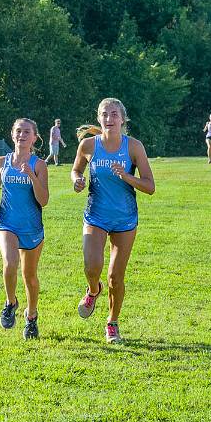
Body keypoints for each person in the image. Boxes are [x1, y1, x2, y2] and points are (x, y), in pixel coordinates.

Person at [71, 98, 155, 343]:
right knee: (91, 266)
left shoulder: (134, 147)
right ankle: (93, 290)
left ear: (122, 119)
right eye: (104, 114)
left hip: (125, 219)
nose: (109, 119)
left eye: (114, 114)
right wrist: (76, 180)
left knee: (115, 277)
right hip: (96, 215)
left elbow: (150, 187)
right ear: (99, 118)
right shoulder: (88, 145)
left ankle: (112, 323)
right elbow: (76, 170)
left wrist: (127, 176)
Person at [0, 118, 49, 339]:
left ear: (34, 138)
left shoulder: (39, 165)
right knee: (10, 262)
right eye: (18, 131)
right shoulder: (2, 161)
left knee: (30, 277)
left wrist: (30, 174)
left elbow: (44, 200)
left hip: (31, 228)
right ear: (12, 134)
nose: (22, 135)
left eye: (27, 132)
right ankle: (11, 303)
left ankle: (31, 317)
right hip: (5, 223)